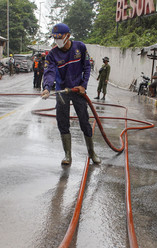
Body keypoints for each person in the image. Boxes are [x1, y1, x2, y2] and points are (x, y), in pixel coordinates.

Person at [41, 23, 100, 165]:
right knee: (62, 121)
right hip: (62, 91)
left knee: (84, 120)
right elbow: (49, 72)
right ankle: (67, 155)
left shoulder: (80, 47)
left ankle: (92, 153)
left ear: (68, 36)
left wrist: (83, 86)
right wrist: (47, 87)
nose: (57, 41)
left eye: (59, 37)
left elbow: (87, 67)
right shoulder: (53, 54)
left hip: (78, 91)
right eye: (54, 38)